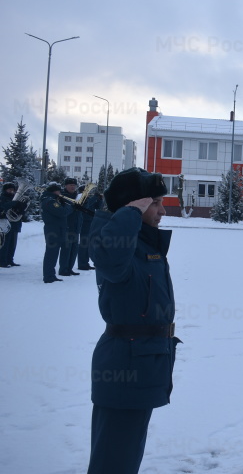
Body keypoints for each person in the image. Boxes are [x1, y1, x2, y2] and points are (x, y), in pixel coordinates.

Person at [87, 167, 179, 474]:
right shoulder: (116, 244)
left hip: (142, 364)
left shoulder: (141, 244)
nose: (163, 211)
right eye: (155, 203)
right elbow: (111, 264)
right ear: (134, 205)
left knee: (124, 459)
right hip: (124, 367)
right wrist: (129, 212)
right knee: (113, 463)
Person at [40, 182, 73, 283]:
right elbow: (62, 212)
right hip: (53, 230)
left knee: (53, 254)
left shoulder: (52, 200)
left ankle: (51, 274)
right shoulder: (50, 201)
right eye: (59, 191)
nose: (60, 193)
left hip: (57, 229)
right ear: (54, 191)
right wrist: (69, 206)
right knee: (51, 253)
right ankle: (48, 276)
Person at [77, 185, 104, 270]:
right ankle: (82, 263)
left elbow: (98, 207)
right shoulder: (81, 198)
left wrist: (99, 199)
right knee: (83, 243)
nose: (89, 193)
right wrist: (94, 197)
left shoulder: (89, 199)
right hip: (84, 222)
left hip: (90, 222)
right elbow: (87, 205)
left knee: (88, 244)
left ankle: (85, 262)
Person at [60, 177, 82, 276]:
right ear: (66, 186)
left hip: (76, 226)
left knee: (74, 249)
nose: (73, 187)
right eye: (71, 185)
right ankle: (63, 269)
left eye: (74, 185)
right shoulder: (62, 196)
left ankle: (70, 268)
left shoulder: (78, 196)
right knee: (66, 249)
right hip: (68, 226)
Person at [0, 182, 24, 267]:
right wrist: (14, 203)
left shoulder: (15, 198)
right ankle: (2, 261)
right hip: (5, 224)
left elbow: (21, 212)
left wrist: (22, 206)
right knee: (5, 243)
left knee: (12, 244)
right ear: (5, 190)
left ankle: (10, 260)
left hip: (15, 223)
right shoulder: (2, 198)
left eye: (13, 190)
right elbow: (2, 207)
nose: (12, 191)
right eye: (9, 189)